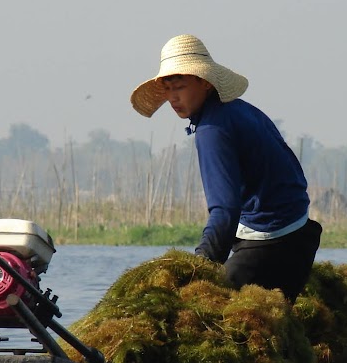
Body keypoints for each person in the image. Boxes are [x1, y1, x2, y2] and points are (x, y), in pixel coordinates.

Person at [131, 34, 322, 302]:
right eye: (168, 89)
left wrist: (200, 268)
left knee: (197, 307)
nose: (173, 98)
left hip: (274, 242)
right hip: (298, 233)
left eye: (181, 87)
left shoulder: (212, 130)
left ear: (205, 83)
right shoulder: (239, 110)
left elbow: (225, 211)